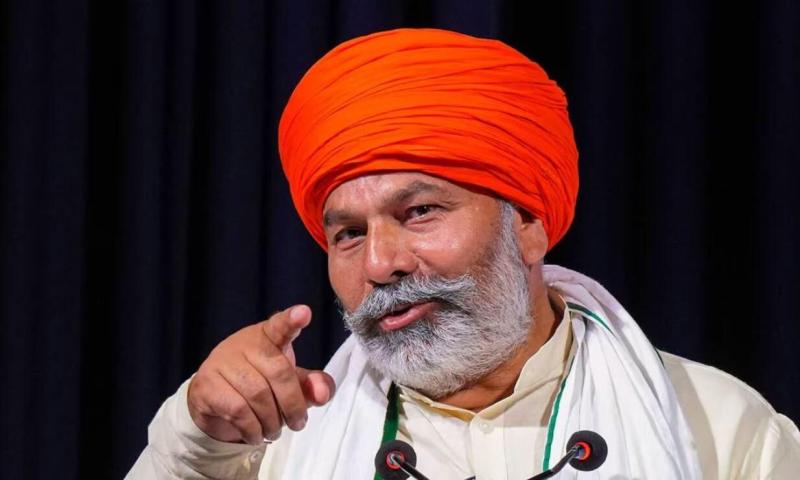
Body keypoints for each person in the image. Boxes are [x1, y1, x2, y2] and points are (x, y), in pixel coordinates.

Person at [127, 28, 800, 479]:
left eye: (419, 212)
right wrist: (201, 434)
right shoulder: (265, 447)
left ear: (528, 223)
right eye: (349, 233)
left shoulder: (717, 428)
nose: (380, 264)